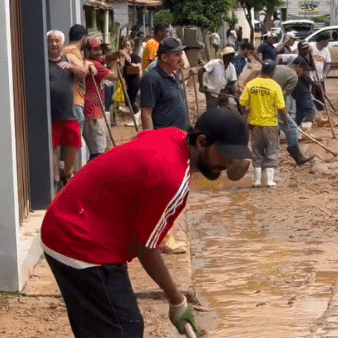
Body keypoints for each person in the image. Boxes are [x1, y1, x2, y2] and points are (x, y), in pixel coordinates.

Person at [41, 108, 253, 338]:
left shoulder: (172, 136)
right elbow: (147, 248)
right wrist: (177, 301)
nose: (229, 164)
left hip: (75, 218)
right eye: (226, 154)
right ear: (202, 142)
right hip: (78, 239)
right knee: (124, 330)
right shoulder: (170, 178)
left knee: (108, 327)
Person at [237, 57, 314, 166]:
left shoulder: (279, 67)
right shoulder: (294, 76)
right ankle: (297, 156)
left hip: (259, 106)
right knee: (292, 128)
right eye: (303, 70)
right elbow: (282, 95)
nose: (303, 73)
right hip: (272, 108)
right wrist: (283, 109)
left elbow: (256, 73)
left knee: (264, 136)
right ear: (298, 67)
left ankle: (263, 161)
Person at [239, 60, 289, 187]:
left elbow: (242, 103)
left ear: (261, 71)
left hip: (255, 125)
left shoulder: (251, 84)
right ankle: (269, 181)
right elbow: (281, 108)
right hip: (270, 124)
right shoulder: (274, 86)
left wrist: (246, 112)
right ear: (272, 72)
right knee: (272, 150)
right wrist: (286, 125)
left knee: (257, 151)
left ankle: (256, 181)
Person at [47, 30, 88, 188]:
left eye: (57, 41)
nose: (54, 44)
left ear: (62, 43)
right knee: (52, 146)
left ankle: (68, 174)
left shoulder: (68, 57)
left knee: (75, 143)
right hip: (51, 113)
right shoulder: (44, 60)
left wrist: (71, 67)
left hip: (69, 111)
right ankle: (57, 178)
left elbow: (83, 72)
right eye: (51, 41)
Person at [140, 37, 191, 132]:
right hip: (164, 140)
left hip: (180, 136)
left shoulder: (173, 75)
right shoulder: (151, 79)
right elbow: (146, 113)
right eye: (177, 55)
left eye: (181, 55)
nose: (182, 60)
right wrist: (151, 140)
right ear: (164, 58)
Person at [83, 37, 118, 161]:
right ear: (87, 50)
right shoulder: (94, 64)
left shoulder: (93, 61)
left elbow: (106, 58)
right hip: (93, 113)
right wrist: (114, 63)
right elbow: (114, 76)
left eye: (100, 49)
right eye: (95, 50)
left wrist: (114, 55)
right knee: (98, 152)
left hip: (95, 110)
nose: (99, 52)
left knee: (100, 149)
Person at [62, 24, 93, 134]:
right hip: (75, 101)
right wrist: (88, 64)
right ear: (84, 39)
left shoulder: (64, 50)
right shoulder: (74, 51)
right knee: (75, 140)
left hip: (67, 101)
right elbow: (82, 72)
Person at [198, 46, 237, 110]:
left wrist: (233, 92)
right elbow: (200, 71)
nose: (232, 57)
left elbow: (232, 82)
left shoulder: (232, 67)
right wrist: (201, 85)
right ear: (225, 56)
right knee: (211, 113)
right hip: (212, 93)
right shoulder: (214, 63)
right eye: (230, 55)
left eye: (233, 55)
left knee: (224, 113)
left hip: (224, 93)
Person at [310, 32, 332, 111]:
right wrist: (311, 75)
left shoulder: (326, 50)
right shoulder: (311, 48)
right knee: (312, 96)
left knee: (321, 97)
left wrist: (324, 74)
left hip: (320, 77)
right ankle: (312, 113)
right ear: (322, 41)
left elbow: (328, 64)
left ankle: (320, 113)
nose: (328, 43)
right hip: (311, 77)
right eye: (327, 41)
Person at [121, 38, 143, 117]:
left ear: (132, 47)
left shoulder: (135, 56)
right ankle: (136, 115)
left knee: (131, 100)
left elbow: (140, 67)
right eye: (125, 45)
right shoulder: (122, 57)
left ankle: (137, 115)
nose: (126, 47)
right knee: (128, 100)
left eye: (128, 45)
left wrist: (135, 65)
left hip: (134, 80)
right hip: (127, 80)